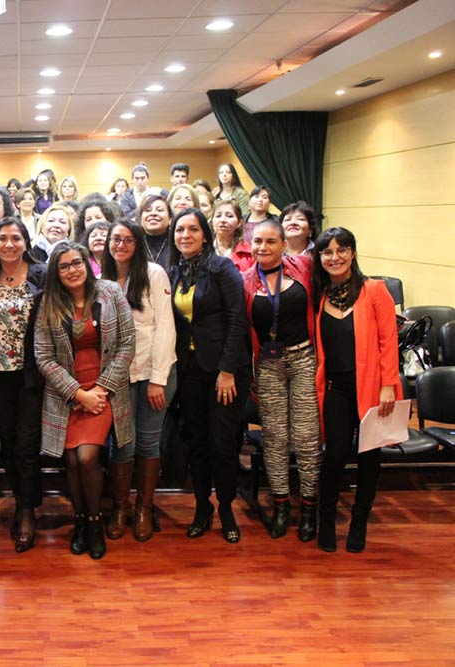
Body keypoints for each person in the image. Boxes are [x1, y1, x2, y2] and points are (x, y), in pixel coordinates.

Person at [35, 242, 134, 560]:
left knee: (88, 457)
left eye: (76, 262)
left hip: (105, 390)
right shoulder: (49, 302)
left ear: (86, 264)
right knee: (72, 461)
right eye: (63, 266)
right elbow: (44, 357)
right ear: (55, 272)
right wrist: (77, 393)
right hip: (67, 394)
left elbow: (127, 342)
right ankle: (81, 521)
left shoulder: (109, 292)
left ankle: (94, 522)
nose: (72, 270)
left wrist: (100, 390)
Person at [312, 227, 401, 554]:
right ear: (319, 257)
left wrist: (389, 385)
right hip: (334, 387)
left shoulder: (374, 290)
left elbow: (388, 341)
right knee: (334, 456)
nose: (334, 257)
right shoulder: (318, 294)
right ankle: (326, 518)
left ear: (352, 252)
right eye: (327, 252)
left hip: (374, 390)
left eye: (341, 250)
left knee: (369, 458)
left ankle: (359, 521)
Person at [167, 208, 252, 543]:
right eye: (179, 230)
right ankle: (202, 507)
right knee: (198, 443)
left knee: (223, 443)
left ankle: (227, 508)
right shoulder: (176, 271)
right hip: (190, 371)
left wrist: (228, 370)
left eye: (192, 229)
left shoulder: (222, 268)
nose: (185, 235)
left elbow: (237, 320)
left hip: (224, 372)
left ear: (204, 234)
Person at [0, 217, 47, 553]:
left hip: (32, 375)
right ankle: (21, 501)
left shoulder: (41, 275)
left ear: (26, 241)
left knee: (26, 446)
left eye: (16, 238)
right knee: (10, 444)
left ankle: (28, 512)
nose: (10, 244)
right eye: (2, 238)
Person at [241, 221, 321, 541]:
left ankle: (310, 508)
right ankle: (281, 506)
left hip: (304, 359)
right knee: (274, 437)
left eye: (271, 241)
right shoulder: (245, 281)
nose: (263, 247)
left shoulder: (304, 267)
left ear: (284, 244)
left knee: (306, 437)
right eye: (257, 241)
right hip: (269, 365)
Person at [101, 221, 177, 542]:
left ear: (138, 243)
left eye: (128, 239)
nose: (121, 244)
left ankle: (144, 507)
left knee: (148, 441)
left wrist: (158, 379)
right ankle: (120, 507)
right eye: (116, 239)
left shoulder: (154, 272)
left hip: (153, 373)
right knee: (122, 444)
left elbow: (165, 327)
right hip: (118, 376)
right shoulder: (100, 279)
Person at [212, 200, 254, 271]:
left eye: (229, 216)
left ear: (239, 223)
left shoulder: (249, 254)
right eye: (218, 216)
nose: (223, 220)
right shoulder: (202, 251)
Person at [139, 195, 173, 268]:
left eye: (159, 210)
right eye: (148, 210)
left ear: (170, 219)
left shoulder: (176, 242)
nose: (153, 214)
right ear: (141, 219)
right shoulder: (133, 242)